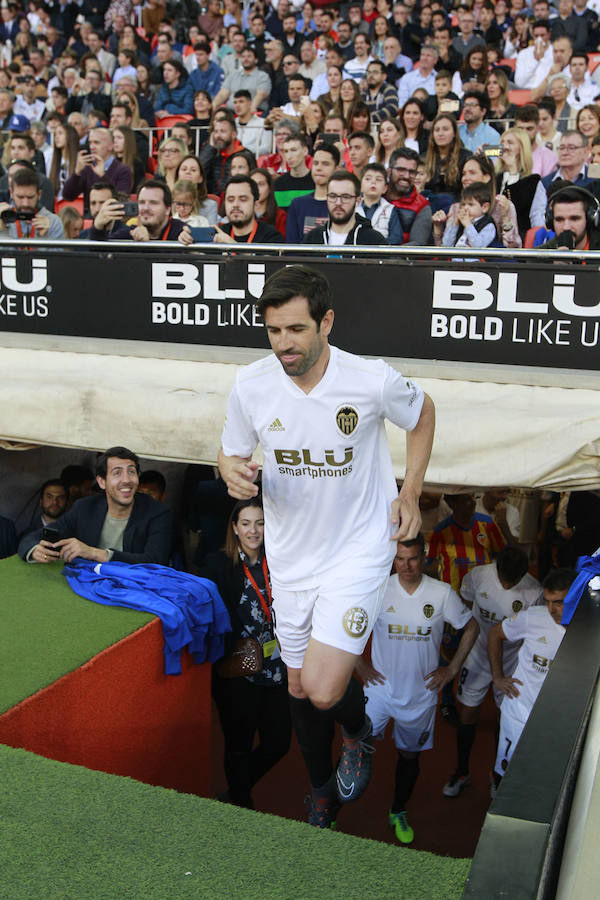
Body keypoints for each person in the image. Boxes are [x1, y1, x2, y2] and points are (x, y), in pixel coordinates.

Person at [218, 263, 435, 827]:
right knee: (295, 684)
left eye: (295, 330)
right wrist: (230, 472)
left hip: (358, 552)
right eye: (273, 331)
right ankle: (320, 789)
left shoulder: (369, 379)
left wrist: (410, 490)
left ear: (327, 322)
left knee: (320, 687)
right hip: (289, 559)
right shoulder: (251, 384)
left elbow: (423, 411)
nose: (283, 344)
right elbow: (231, 451)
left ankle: (359, 735)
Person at [358, 534, 477, 843]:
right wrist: (359, 665)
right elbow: (350, 626)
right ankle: (328, 809)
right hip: (380, 690)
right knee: (355, 746)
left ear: (423, 558)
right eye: (399, 559)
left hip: (420, 695)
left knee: (409, 757)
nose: (406, 566)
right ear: (392, 559)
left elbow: (472, 626)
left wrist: (452, 669)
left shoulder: (441, 593)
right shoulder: (380, 589)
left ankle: (398, 810)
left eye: (412, 559)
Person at [198, 497, 292, 809]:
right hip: (236, 669)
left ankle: (237, 789)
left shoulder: (281, 561)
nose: (254, 530)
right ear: (235, 528)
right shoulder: (217, 564)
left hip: (276, 667)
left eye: (261, 523)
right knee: (238, 743)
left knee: (279, 743)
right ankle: (240, 801)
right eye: (247, 523)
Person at [442, 548, 542, 798]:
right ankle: (462, 772)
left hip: (510, 662)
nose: (507, 585)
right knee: (468, 714)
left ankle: (497, 774)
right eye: (504, 579)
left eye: (513, 581)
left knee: (505, 718)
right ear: (496, 568)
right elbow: (465, 600)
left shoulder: (535, 591)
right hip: (476, 658)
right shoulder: (478, 576)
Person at [490, 568, 575, 788]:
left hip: (558, 722)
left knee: (544, 779)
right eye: (547, 601)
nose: (551, 609)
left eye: (558, 602)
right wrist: (497, 677)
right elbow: (495, 634)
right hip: (519, 711)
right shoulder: (533, 617)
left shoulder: (589, 631)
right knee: (505, 772)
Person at [19, 446, 173, 566]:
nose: (126, 480)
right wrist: (34, 550)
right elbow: (36, 536)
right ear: (101, 482)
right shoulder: (85, 507)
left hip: (135, 591)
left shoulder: (157, 513)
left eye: (131, 472)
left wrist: (94, 553)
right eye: (117, 473)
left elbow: (155, 561)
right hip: (89, 584)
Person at [427, 492, 506, 721]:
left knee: (486, 646)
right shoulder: (440, 532)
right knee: (450, 651)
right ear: (451, 503)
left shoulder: (488, 524)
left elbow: (504, 553)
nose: (472, 502)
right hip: (455, 608)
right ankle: (448, 701)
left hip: (485, 605)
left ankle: (488, 687)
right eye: (465, 499)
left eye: (473, 497)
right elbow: (429, 566)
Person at [433, 153, 521, 249]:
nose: (465, 178)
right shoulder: (456, 208)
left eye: (472, 173)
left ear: (486, 177)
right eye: (464, 174)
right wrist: (438, 228)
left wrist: (505, 218)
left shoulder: (501, 205)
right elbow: (444, 249)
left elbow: (513, 250)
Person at [89, 180, 192, 244]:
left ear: (167, 209)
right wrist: (97, 228)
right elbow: (99, 255)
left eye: (153, 203)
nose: (146, 208)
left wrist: (147, 246)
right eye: (142, 202)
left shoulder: (180, 231)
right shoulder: (130, 234)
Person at [303, 169, 387, 245]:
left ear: (358, 201)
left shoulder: (374, 241)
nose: (338, 203)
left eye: (345, 197)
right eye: (333, 196)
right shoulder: (312, 238)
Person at [496, 127, 547, 238]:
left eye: (510, 143)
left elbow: (519, 207)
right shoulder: (495, 178)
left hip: (519, 238)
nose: (505, 146)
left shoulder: (532, 182)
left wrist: (513, 171)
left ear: (521, 148)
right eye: (502, 142)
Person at [63, 126, 132, 206]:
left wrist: (102, 176)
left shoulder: (123, 170)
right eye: (90, 143)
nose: (92, 147)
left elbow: (121, 200)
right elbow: (68, 196)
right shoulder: (87, 168)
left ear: (110, 146)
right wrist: (76, 172)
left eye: (96, 143)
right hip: (90, 216)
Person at [285, 142, 339, 242]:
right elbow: (291, 246)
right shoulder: (298, 204)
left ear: (336, 169)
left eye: (325, 164)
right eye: (315, 163)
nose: (319, 168)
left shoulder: (342, 204)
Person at [213, 174, 283, 244]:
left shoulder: (271, 236)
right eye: (231, 200)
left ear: (255, 203)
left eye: (243, 199)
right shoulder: (218, 234)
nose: (235, 205)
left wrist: (232, 245)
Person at [0, 167, 63, 240]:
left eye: (30, 197)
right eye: (20, 197)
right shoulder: (3, 217)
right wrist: (3, 233)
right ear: (11, 193)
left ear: (39, 194)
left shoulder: (53, 222)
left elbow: (58, 251)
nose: (25, 203)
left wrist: (45, 237)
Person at [386, 147, 433, 246]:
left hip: (400, 260)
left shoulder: (422, 205)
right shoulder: (375, 196)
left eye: (412, 172)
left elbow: (417, 244)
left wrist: (386, 255)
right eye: (401, 170)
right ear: (389, 171)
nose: (406, 176)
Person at [438, 181, 498, 249]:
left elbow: (479, 247)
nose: (465, 208)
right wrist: (455, 224)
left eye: (470, 204)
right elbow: (446, 245)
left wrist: (468, 225)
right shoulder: (460, 223)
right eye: (463, 204)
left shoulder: (488, 225)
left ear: (485, 207)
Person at [539, 183, 600, 249]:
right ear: (551, 221)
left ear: (589, 219)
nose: (566, 227)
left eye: (574, 219)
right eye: (559, 220)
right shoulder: (538, 256)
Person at [212, 46, 272, 113]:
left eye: (249, 56)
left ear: (256, 60)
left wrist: (252, 108)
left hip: (253, 113)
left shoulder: (262, 76)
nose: (246, 59)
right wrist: (213, 106)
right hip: (231, 113)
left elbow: (261, 95)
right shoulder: (233, 75)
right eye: (243, 57)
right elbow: (222, 94)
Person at [200, 113, 245, 194]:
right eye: (216, 132)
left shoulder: (245, 155)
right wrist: (211, 146)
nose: (218, 135)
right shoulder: (213, 154)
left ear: (234, 134)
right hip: (215, 201)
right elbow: (199, 173)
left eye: (222, 131)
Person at [273, 132, 314, 209]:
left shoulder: (316, 181)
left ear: (305, 151)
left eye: (294, 150)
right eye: (286, 151)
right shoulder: (279, 184)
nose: (289, 156)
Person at [356, 162, 394, 240]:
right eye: (368, 179)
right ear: (360, 186)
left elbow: (396, 237)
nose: (373, 182)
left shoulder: (390, 209)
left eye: (379, 180)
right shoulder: (353, 208)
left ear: (385, 188)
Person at [176, 155, 219, 224]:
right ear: (177, 176)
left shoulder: (210, 205)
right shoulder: (168, 202)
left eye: (193, 170)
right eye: (184, 169)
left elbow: (211, 233)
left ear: (200, 178)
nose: (188, 172)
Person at [250, 167, 287, 238]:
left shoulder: (281, 216)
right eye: (253, 185)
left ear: (270, 188)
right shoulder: (243, 213)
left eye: (261, 184)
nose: (256, 189)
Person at [362, 59, 399, 124]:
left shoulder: (389, 90)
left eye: (375, 72)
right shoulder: (363, 93)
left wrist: (369, 119)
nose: (371, 76)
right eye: (369, 72)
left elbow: (392, 108)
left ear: (384, 76)